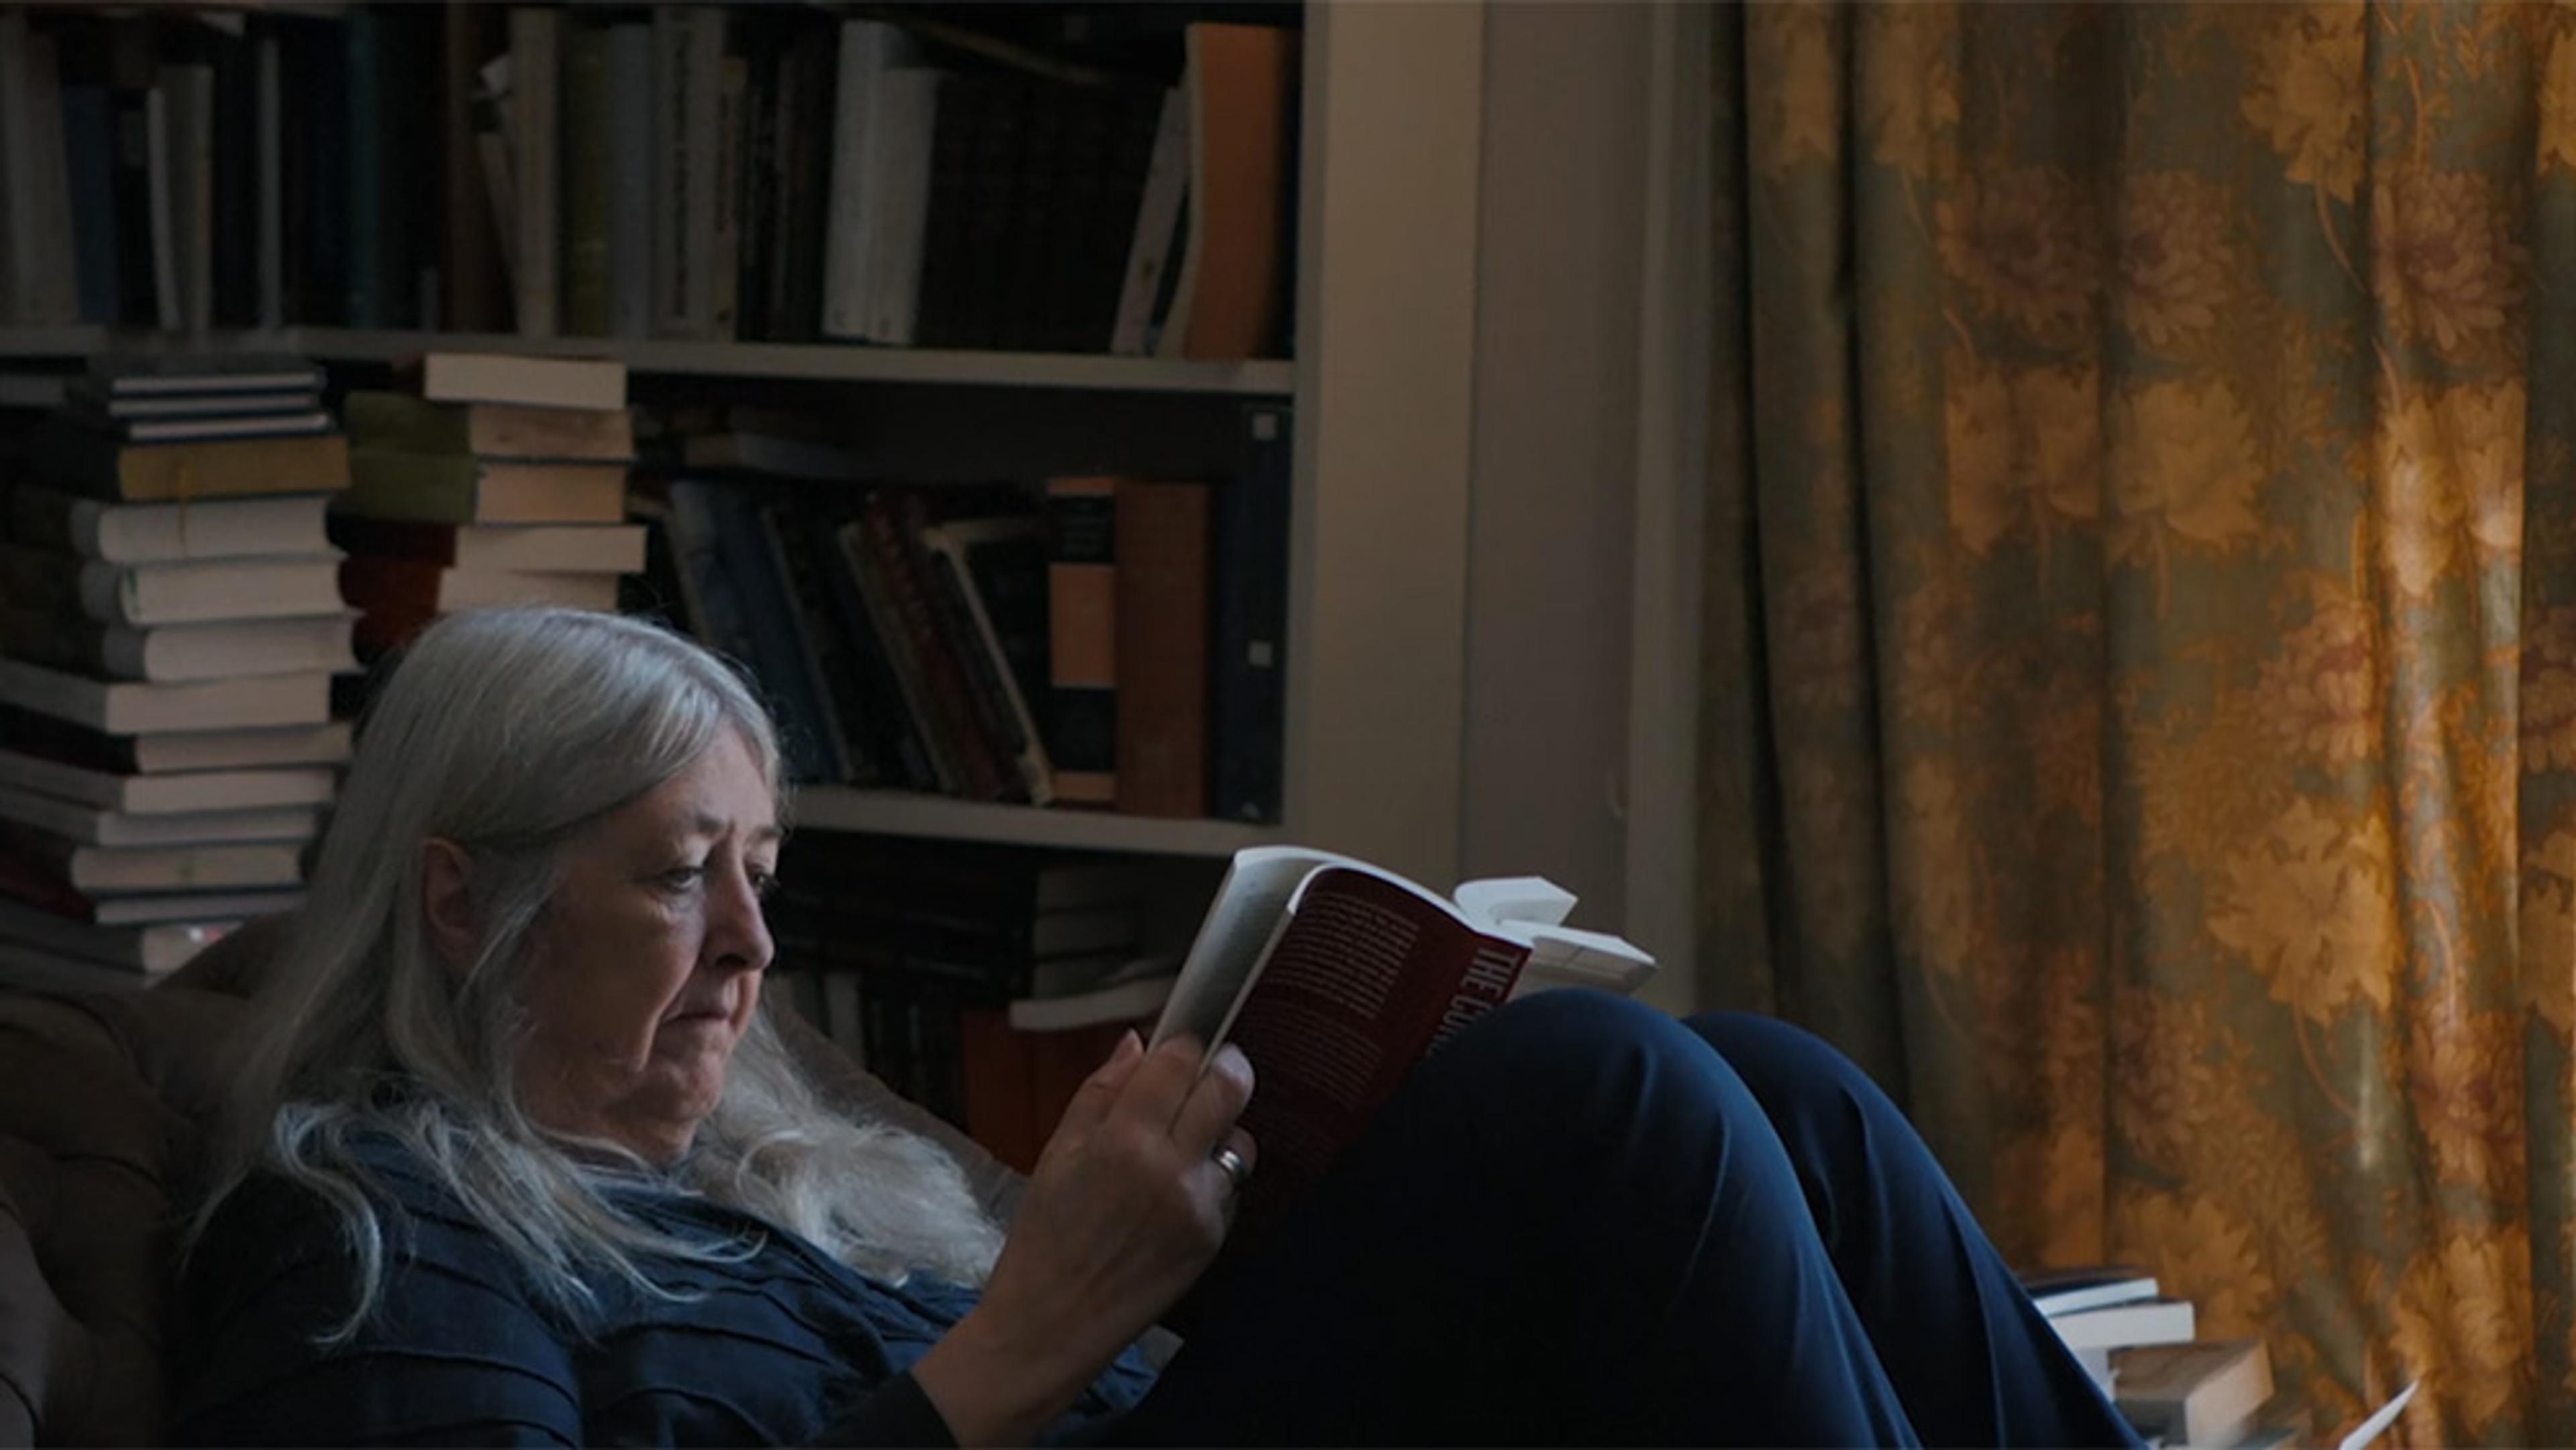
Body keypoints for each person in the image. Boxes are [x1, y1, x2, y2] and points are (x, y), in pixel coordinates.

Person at [170, 607, 2141, 1449]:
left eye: (769, 867)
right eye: (683, 873)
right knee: (1599, 1099)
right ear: (460, 899)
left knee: (1773, 1086)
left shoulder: (767, 1159)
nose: (757, 944)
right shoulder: (373, 1239)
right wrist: (1030, 1332)